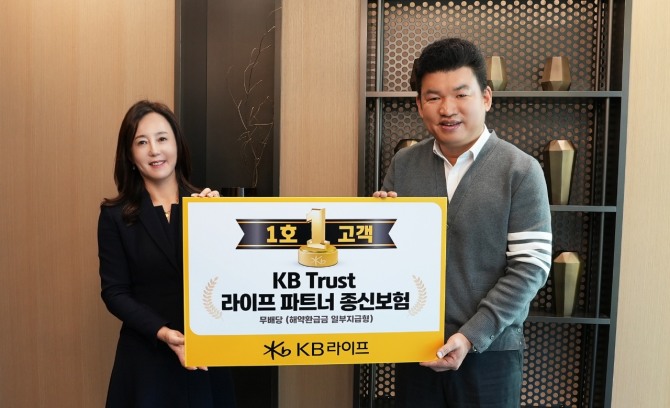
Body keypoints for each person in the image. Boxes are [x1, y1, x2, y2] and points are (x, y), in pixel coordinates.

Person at [373, 38, 552, 407]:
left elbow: (530, 267)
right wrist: (377, 227)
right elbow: (389, 260)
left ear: (485, 97)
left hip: (490, 353)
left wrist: (471, 336)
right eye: (434, 97)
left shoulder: (520, 170)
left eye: (460, 94)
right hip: (416, 348)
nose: (447, 109)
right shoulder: (404, 165)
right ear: (419, 104)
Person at [98, 100, 236, 407]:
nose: (154, 150)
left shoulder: (208, 207)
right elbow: (114, 292)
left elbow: (238, 279)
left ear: (177, 145)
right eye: (141, 142)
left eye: (162, 138)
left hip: (206, 354)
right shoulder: (114, 215)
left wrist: (221, 221)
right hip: (146, 356)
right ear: (130, 155)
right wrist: (163, 333)